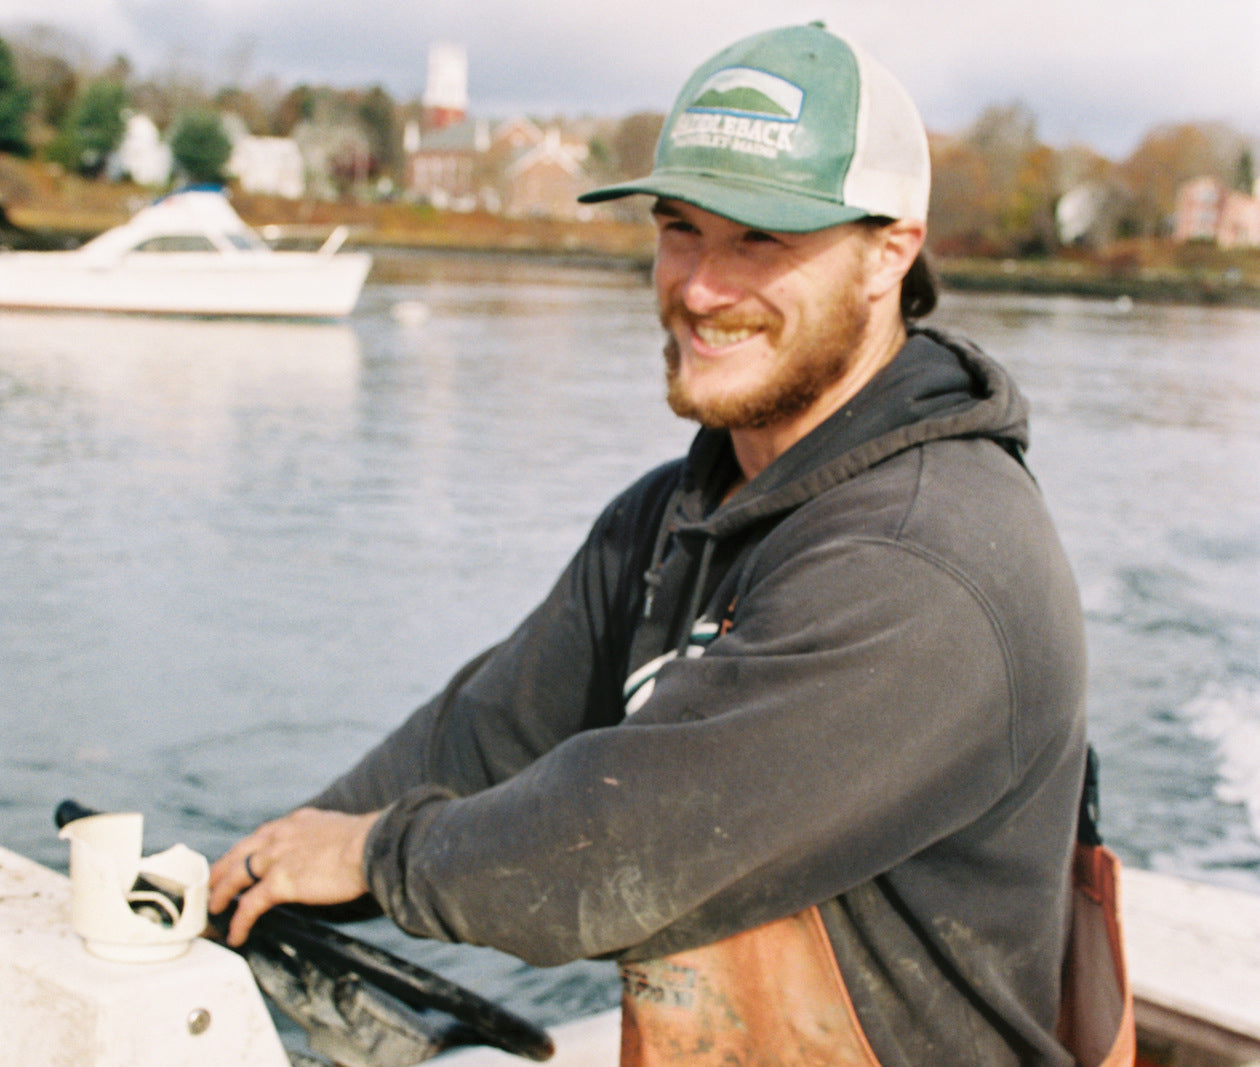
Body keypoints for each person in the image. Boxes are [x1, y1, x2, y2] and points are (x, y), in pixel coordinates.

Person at [211, 23, 1131, 1066]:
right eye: (682, 228)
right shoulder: (672, 516)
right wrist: (254, 870)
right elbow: (480, 741)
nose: (698, 287)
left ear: (890, 253)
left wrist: (375, 853)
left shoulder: (924, 564)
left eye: (761, 242)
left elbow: (619, 847)